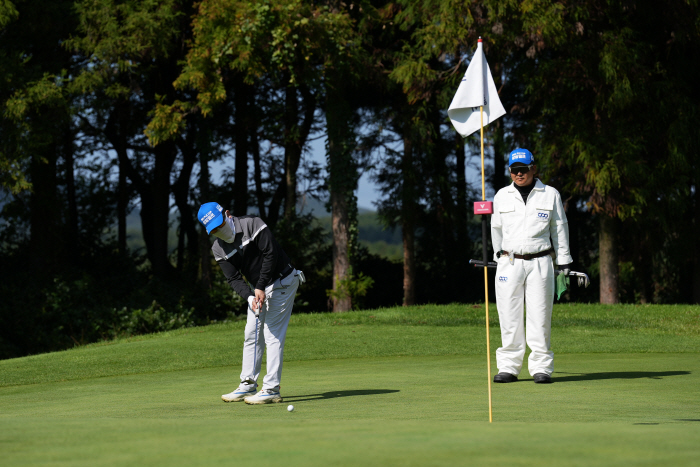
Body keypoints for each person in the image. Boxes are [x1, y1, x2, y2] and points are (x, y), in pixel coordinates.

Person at [197, 202, 305, 404]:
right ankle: (247, 384)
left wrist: (260, 286)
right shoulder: (218, 248)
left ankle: (272, 388)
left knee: (271, 333)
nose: (219, 231)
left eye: (220, 224)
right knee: (251, 333)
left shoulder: (252, 224)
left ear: (227, 214)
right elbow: (233, 279)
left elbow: (270, 254)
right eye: (214, 230)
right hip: (258, 289)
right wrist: (249, 297)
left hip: (284, 280)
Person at [490, 148, 572, 384]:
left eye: (523, 169)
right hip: (509, 262)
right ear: (509, 171)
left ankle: (541, 368)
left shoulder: (550, 194)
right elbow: (496, 230)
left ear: (533, 168)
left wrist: (564, 260)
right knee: (508, 316)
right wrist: (499, 257)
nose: (519, 174)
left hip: (540, 261)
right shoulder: (501, 195)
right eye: (515, 170)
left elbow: (560, 229)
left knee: (540, 315)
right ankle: (508, 367)